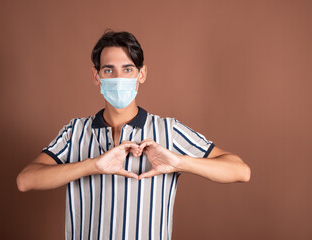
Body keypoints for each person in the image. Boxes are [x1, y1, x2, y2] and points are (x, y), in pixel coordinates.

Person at [17, 30, 251, 240]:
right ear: (96, 76)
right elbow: (25, 180)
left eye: (127, 69)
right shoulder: (75, 131)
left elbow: (240, 170)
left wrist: (180, 162)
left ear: (142, 73)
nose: (119, 78)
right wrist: (92, 166)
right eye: (109, 70)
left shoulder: (168, 131)